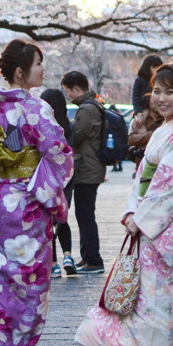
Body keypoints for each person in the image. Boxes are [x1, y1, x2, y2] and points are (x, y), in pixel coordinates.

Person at [76, 62, 173, 346]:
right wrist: (133, 212)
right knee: (151, 297)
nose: (161, 98)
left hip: (162, 227)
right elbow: (143, 181)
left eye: (170, 92)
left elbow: (171, 186)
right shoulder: (164, 129)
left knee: (159, 298)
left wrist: (141, 219)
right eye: (157, 91)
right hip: (151, 224)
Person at [0, 39, 74, 346]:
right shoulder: (36, 109)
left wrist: (3, 176)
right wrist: (45, 194)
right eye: (38, 63)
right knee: (30, 278)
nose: (43, 69)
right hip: (29, 203)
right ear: (20, 71)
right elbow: (59, 154)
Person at [64, 70, 106, 274]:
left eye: (68, 92)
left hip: (87, 169)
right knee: (84, 214)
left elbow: (76, 137)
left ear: (76, 89)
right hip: (90, 167)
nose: (68, 96)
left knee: (86, 215)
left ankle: (94, 260)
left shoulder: (86, 110)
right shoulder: (93, 105)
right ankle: (87, 257)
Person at [40, 88, 78, 279]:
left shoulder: (43, 127)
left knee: (48, 219)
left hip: (46, 177)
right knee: (62, 217)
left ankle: (53, 264)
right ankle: (68, 257)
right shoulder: (70, 127)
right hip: (66, 177)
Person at [127, 93, 161, 169]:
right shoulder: (139, 120)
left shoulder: (165, 118)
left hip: (160, 161)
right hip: (141, 161)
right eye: (154, 100)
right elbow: (131, 139)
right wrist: (151, 135)